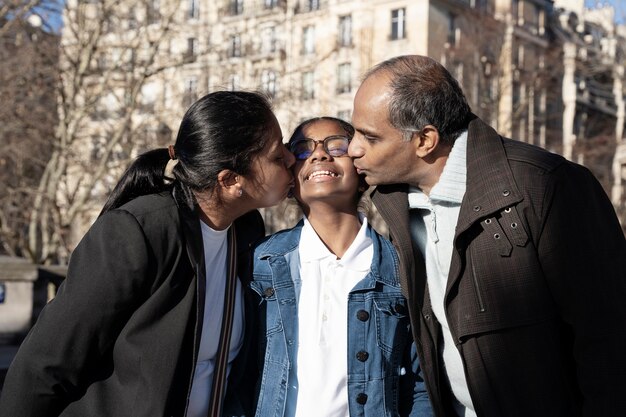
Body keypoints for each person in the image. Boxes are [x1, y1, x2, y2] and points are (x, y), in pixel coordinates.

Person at [347, 55, 626, 417]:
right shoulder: (393, 201)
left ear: (425, 140)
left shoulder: (547, 185)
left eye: (369, 136)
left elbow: (610, 344)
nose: (353, 148)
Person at [0, 91, 295, 417]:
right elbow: (44, 365)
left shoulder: (247, 230)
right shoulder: (140, 231)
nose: (291, 158)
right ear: (230, 181)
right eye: (277, 155)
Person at [249, 116, 433, 417]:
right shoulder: (260, 264)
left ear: (360, 170)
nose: (320, 154)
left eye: (337, 147)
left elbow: (423, 384)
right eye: (303, 150)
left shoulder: (401, 268)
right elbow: (236, 374)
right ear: (290, 180)